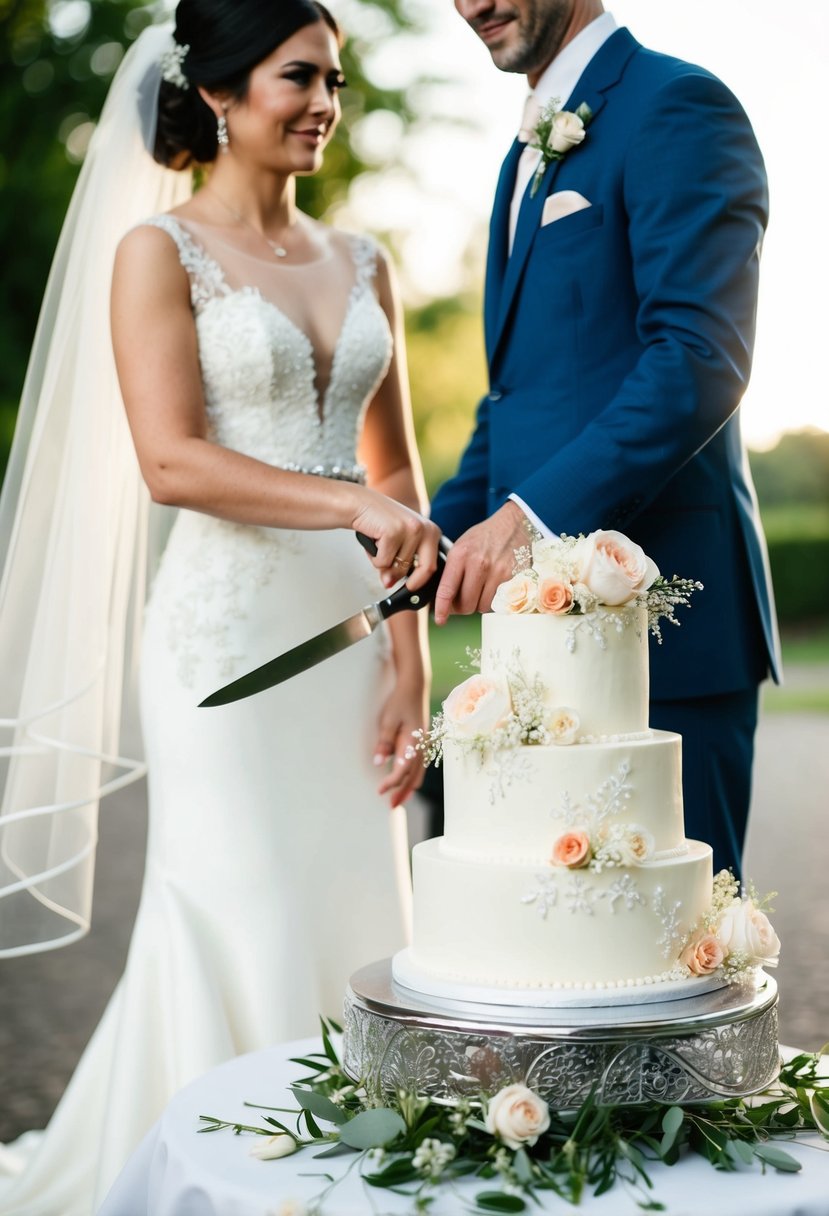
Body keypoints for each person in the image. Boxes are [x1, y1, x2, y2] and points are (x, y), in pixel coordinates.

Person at [0, 1, 439, 1210]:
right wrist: (348, 509)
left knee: (355, 899)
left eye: (335, 81)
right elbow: (172, 461)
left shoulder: (367, 263)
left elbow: (395, 476)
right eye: (299, 77)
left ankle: (359, 1162)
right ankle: (225, 1176)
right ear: (223, 91)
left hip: (353, 639)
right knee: (241, 891)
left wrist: (411, 657)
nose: (323, 105)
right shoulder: (158, 252)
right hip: (225, 640)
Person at [430, 0, 781, 877]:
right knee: (570, 963)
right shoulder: (521, 152)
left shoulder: (677, 104)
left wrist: (530, 517)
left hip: (671, 631)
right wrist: (438, 530)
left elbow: (700, 360)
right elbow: (518, 393)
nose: (470, 5)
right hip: (540, 648)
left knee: (679, 961)